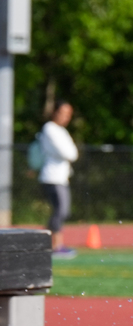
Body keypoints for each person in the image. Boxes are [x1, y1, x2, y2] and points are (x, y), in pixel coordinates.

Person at [37, 101, 79, 258]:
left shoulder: (61, 131)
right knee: (61, 210)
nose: (66, 117)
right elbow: (68, 153)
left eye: (69, 114)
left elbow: (72, 152)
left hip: (61, 178)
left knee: (62, 211)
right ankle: (54, 244)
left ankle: (49, 243)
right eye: (63, 112)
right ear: (55, 112)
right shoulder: (50, 128)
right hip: (52, 177)